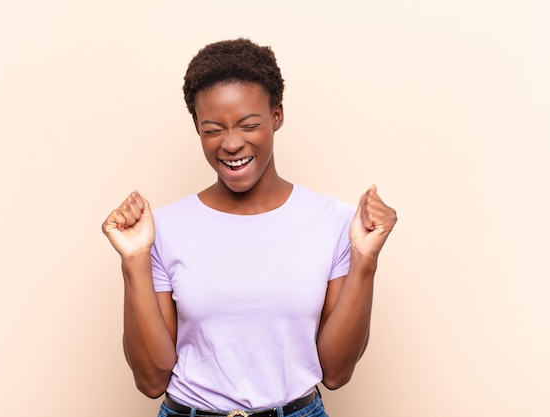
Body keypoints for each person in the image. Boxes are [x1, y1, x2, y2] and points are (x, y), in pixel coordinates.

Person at [102, 38, 397, 417]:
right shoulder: (162, 229)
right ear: (196, 127)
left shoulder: (334, 222)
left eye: (249, 124)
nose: (231, 143)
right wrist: (134, 260)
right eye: (212, 129)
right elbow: (150, 380)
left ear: (276, 115)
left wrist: (364, 260)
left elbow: (337, 373)